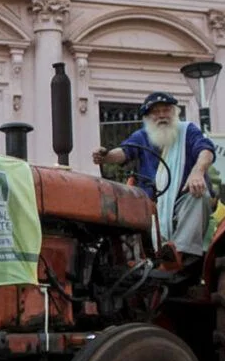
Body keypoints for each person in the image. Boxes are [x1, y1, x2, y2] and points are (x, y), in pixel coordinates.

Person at [91, 92, 216, 262]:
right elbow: (124, 152)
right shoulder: (142, 137)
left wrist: (198, 172)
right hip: (149, 207)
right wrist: (106, 156)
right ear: (148, 118)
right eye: (156, 112)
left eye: (166, 110)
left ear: (174, 112)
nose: (162, 115)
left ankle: (179, 254)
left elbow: (205, 150)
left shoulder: (188, 131)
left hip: (184, 201)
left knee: (199, 196)